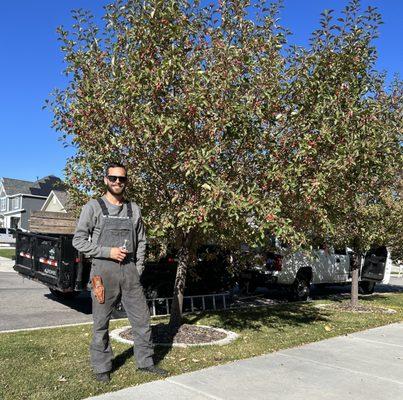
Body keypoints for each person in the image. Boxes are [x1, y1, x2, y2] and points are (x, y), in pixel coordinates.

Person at [73, 162, 167, 382]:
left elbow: (142, 241)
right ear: (106, 179)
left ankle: (145, 363)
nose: (117, 182)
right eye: (113, 178)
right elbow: (78, 240)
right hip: (103, 272)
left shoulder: (134, 209)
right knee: (100, 323)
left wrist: (139, 268)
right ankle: (102, 368)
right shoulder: (93, 207)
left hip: (130, 271)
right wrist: (108, 252)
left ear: (126, 181)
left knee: (142, 320)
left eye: (122, 179)